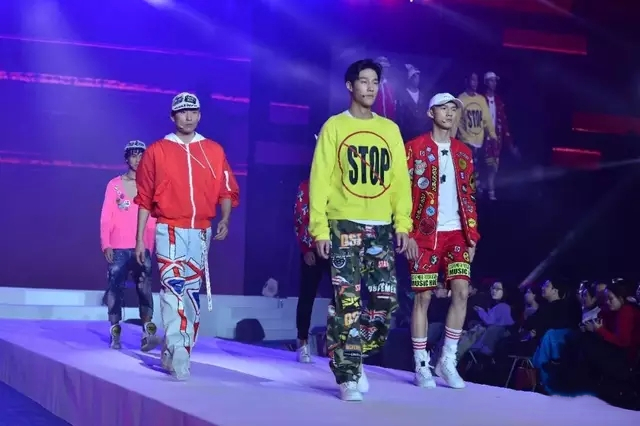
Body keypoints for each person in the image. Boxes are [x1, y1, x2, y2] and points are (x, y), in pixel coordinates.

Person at [308, 58, 412, 401]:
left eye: (375, 82)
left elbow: (400, 181)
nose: (370, 87)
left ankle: (353, 351)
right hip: (344, 225)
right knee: (347, 302)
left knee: (385, 301)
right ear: (350, 86)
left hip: (381, 228)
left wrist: (403, 223)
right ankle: (348, 372)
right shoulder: (335, 126)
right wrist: (319, 229)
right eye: (364, 81)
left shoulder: (390, 130)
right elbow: (320, 180)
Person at [134, 92, 240, 380]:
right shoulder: (157, 151)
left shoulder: (213, 150)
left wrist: (225, 219)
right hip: (168, 228)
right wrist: (139, 239)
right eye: (182, 112)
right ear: (173, 117)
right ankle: (179, 349)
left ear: (200, 115)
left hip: (201, 232)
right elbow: (144, 198)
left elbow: (226, 190)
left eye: (193, 111)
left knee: (191, 293)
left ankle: (177, 349)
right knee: (172, 288)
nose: (188, 116)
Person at [404, 92, 480, 389]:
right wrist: (406, 232)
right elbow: (402, 194)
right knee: (423, 297)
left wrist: (472, 236)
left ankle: (447, 360)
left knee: (461, 292)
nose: (449, 113)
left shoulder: (464, 152)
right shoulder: (415, 148)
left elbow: (469, 195)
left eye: (453, 109)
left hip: (457, 233)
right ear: (430, 113)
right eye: (443, 108)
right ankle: (421, 363)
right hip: (424, 234)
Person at [100, 140, 160, 351]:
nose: (137, 159)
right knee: (115, 288)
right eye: (133, 155)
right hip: (118, 247)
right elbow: (106, 216)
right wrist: (106, 243)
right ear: (127, 159)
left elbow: (153, 219)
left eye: (141, 155)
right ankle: (115, 328)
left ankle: (147, 332)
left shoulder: (151, 185)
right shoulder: (114, 185)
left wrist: (149, 246)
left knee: (144, 288)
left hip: (142, 248)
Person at [294, 178, 330, 363]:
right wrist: (305, 249)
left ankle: (335, 342)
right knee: (307, 295)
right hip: (312, 248)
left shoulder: (339, 183)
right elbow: (299, 218)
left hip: (336, 249)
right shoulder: (306, 186)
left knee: (343, 296)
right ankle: (302, 342)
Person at [452, 72, 497, 195]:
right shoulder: (461, 99)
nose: (475, 83)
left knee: (479, 171)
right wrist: (450, 140)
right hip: (466, 141)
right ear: (467, 81)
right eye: (472, 80)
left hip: (479, 142)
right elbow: (455, 122)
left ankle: (478, 194)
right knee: (467, 171)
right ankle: (466, 194)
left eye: (476, 80)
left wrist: (493, 136)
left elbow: (487, 120)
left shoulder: (481, 100)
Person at [482, 72, 518, 200]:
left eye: (495, 81)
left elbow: (503, 123)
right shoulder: (481, 100)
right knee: (484, 166)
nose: (494, 83)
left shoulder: (498, 102)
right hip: (483, 138)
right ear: (486, 82)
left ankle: (490, 193)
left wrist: (510, 142)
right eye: (491, 80)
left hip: (496, 139)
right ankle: (485, 192)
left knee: (494, 167)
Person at [396, 64, 429, 141]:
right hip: (407, 136)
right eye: (414, 76)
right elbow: (400, 118)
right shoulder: (402, 96)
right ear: (409, 78)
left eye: (418, 76)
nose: (417, 79)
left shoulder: (423, 96)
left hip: (422, 135)